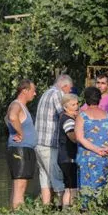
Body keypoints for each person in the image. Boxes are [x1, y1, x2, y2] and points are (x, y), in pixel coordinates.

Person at [75, 87, 108, 201]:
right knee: (106, 187)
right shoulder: (107, 116)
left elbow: (79, 137)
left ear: (86, 100)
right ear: (99, 99)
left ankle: (87, 212)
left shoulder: (82, 116)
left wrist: (96, 150)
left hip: (89, 158)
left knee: (88, 188)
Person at [35, 74, 73, 206]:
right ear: (65, 86)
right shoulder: (57, 94)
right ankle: (61, 208)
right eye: (70, 89)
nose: (70, 93)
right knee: (56, 176)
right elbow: (63, 113)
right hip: (49, 144)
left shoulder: (46, 93)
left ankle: (46, 208)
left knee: (45, 177)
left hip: (39, 143)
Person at [5, 79, 38, 210]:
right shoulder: (16, 105)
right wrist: (20, 132)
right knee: (20, 187)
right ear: (25, 91)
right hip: (20, 150)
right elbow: (12, 117)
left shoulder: (21, 106)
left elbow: (7, 118)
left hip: (23, 149)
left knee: (18, 187)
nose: (35, 94)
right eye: (33, 91)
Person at [58, 94, 79, 208]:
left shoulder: (63, 117)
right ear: (66, 107)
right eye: (73, 105)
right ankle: (73, 211)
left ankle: (65, 211)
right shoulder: (68, 121)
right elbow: (73, 137)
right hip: (68, 157)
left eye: (77, 104)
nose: (76, 107)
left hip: (63, 157)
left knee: (67, 187)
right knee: (73, 188)